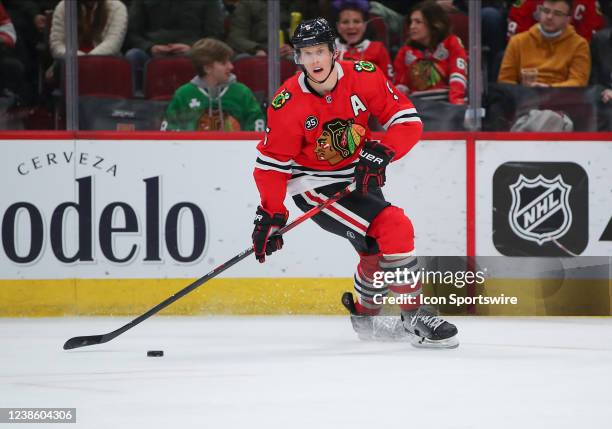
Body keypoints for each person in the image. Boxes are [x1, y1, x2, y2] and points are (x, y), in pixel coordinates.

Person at [250, 18, 459, 348]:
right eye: (307, 54)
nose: (315, 60)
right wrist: (272, 213)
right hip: (314, 185)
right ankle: (414, 314)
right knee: (394, 225)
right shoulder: (287, 103)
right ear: (298, 59)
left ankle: (364, 318)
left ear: (334, 51)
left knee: (376, 247)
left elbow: (407, 121)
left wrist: (383, 153)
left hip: (358, 172)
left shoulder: (363, 75)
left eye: (320, 51)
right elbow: (272, 167)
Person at [161, 38, 264, 131]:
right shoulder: (183, 95)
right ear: (207, 68)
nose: (231, 66)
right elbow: (169, 129)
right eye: (224, 63)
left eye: (229, 61)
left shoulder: (242, 92)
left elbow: (256, 123)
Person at [498, 0, 590, 87]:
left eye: (557, 14)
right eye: (546, 11)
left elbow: (578, 82)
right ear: (539, 12)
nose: (549, 17)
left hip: (562, 100)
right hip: (523, 99)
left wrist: (549, 89)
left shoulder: (579, 45)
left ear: (568, 20)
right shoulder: (517, 41)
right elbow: (505, 82)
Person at [393, 1, 468, 104]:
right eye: (411, 22)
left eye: (418, 22)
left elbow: (458, 76)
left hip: (447, 106)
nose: (412, 26)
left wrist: (456, 104)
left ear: (434, 24)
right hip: (417, 108)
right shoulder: (405, 52)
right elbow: (400, 87)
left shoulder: (452, 43)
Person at [125, 0, 203, 92]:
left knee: (206, 57)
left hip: (193, 51)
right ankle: (137, 99)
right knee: (133, 55)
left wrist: (192, 47)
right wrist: (150, 47)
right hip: (152, 50)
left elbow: (214, 35)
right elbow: (133, 32)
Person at [332, 0, 394, 80]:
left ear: (364, 25)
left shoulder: (378, 49)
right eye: (345, 22)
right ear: (338, 27)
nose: (351, 26)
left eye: (356, 21)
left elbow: (389, 82)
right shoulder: (329, 49)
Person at [49, 0, 127, 58]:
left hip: (105, 62)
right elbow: (57, 46)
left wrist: (87, 59)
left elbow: (113, 44)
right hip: (70, 64)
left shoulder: (117, 8)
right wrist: (78, 58)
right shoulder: (64, 6)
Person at [507, 0, 604, 42]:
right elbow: (517, 36)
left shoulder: (587, 2)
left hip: (570, 54)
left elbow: (591, 35)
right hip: (532, 54)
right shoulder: (528, 2)